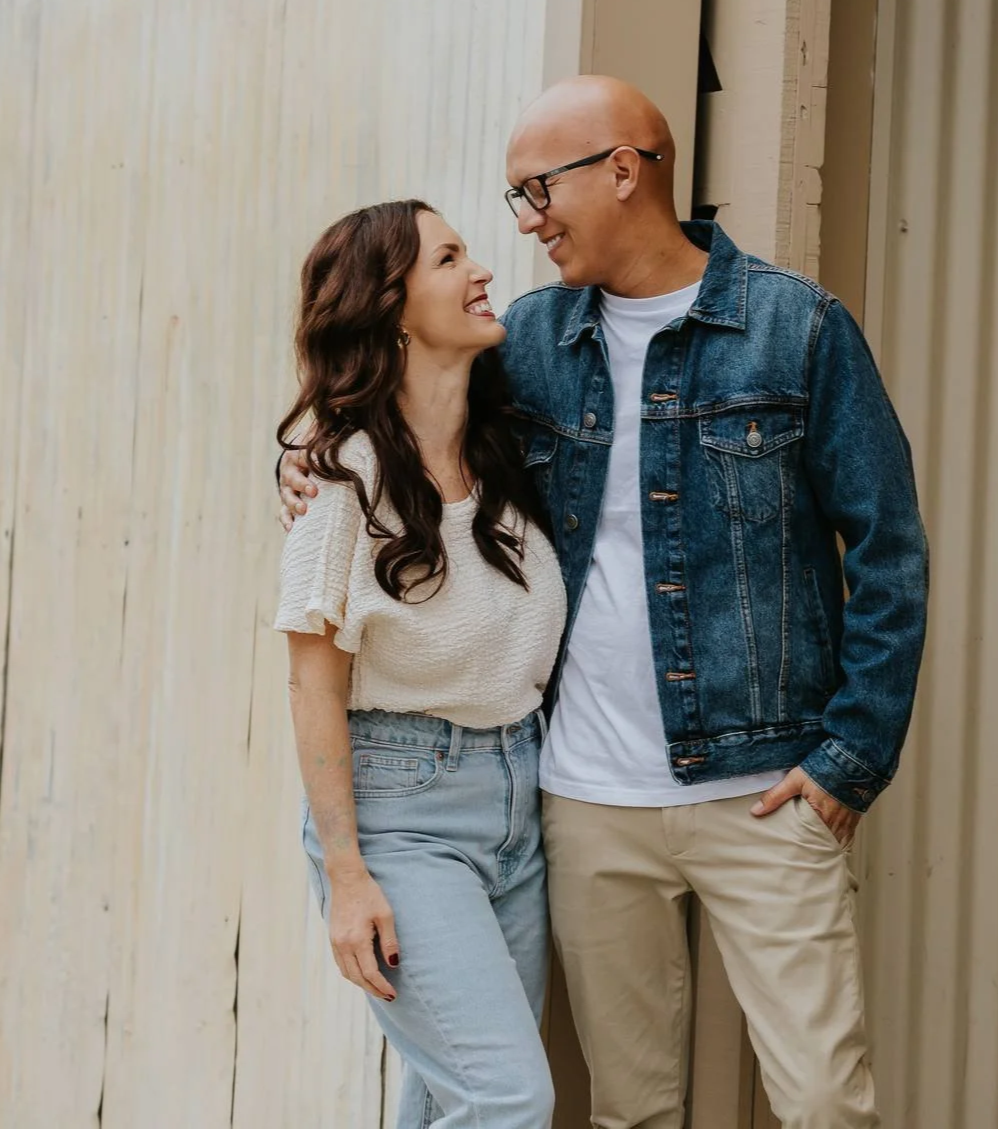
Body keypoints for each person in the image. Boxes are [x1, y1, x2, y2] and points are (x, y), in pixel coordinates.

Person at [281, 78, 928, 1129]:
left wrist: (848, 757)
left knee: (823, 1099)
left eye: (536, 190)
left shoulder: (795, 329)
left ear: (622, 170)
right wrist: (305, 457)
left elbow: (890, 551)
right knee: (629, 1108)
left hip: (764, 787)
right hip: (581, 797)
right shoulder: (529, 341)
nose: (523, 223)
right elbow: (398, 415)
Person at [275, 199, 566, 1129]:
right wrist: (347, 876)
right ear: (391, 307)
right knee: (507, 1098)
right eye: (448, 258)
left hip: (519, 801)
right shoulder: (342, 483)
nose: (481, 271)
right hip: (403, 815)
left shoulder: (504, 450)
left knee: (451, 1096)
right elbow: (312, 684)